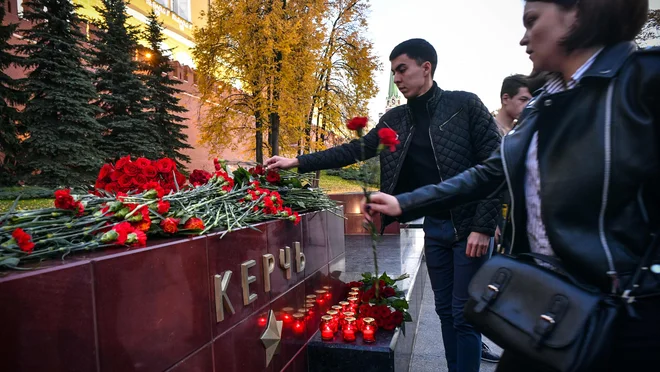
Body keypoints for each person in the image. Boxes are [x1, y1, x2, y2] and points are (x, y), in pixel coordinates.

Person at [362, 0, 659, 371]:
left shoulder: (642, 78)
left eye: (532, 21)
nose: (522, 38)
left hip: (619, 315)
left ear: (578, 14)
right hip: (542, 301)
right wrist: (404, 203)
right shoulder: (542, 106)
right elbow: (489, 174)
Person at [266, 38, 501, 372]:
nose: (398, 78)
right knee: (445, 312)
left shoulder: (464, 106)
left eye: (402, 69)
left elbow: (497, 165)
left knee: (464, 317)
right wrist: (296, 162)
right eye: (394, 72)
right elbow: (352, 150)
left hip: (469, 227)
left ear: (426, 68)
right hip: (435, 227)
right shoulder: (396, 119)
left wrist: (482, 225)